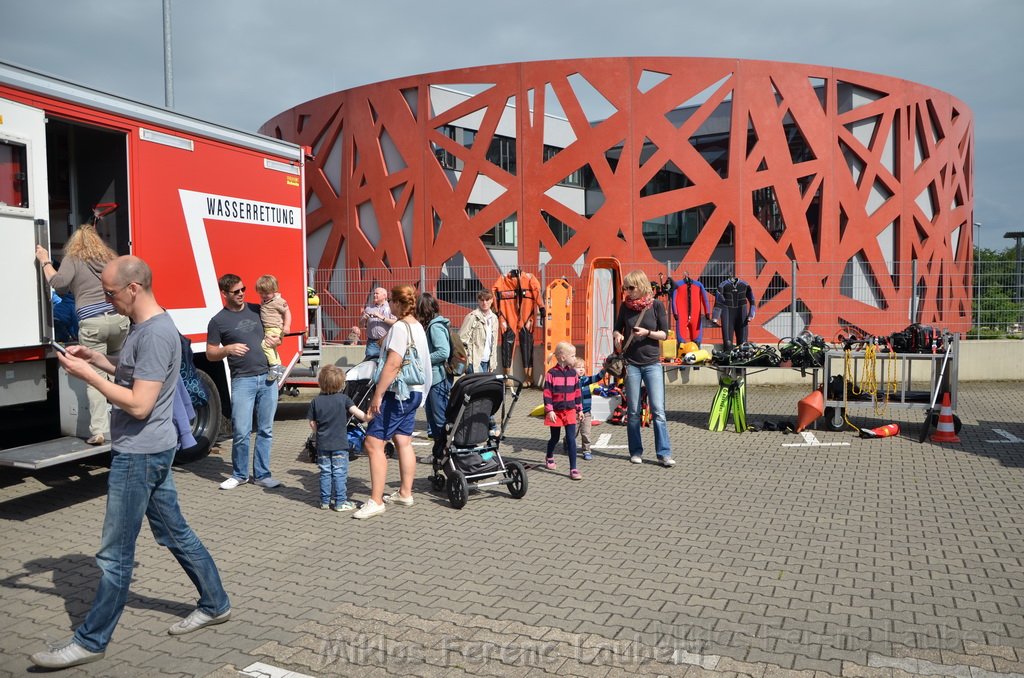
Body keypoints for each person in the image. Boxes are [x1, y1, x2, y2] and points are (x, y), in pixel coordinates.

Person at [30, 256, 230, 670]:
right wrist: (100, 361)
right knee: (175, 533)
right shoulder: (150, 327)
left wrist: (88, 376)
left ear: (134, 288)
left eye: (110, 294)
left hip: (139, 454)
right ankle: (216, 603)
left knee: (114, 554)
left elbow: (139, 404)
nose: (106, 302)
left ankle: (90, 640)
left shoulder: (155, 333)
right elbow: (137, 375)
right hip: (149, 450)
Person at [36, 225, 129, 445]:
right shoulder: (109, 258)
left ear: (75, 243)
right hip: (119, 320)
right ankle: (126, 422)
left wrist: (45, 261)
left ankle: (98, 431)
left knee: (95, 375)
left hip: (93, 323)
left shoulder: (73, 258)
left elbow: (59, 285)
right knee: (119, 371)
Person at [352, 284, 431, 519]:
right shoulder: (417, 326)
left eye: (392, 303)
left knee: (373, 443)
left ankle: (376, 501)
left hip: (398, 392)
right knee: (403, 440)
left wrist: (377, 395)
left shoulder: (398, 327)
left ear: (396, 303)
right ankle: (405, 492)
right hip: (414, 392)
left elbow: (393, 363)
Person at [207, 274, 282, 490]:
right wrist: (227, 349)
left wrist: (279, 337)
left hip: (267, 377)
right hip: (242, 381)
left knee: (266, 429)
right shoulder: (218, 321)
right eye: (236, 291)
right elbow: (211, 353)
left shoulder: (257, 310)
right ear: (224, 294)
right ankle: (239, 474)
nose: (241, 294)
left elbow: (276, 329)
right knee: (241, 431)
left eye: (243, 289)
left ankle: (263, 475)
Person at [613, 270, 675, 468]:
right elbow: (617, 327)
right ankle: (636, 451)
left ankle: (664, 454)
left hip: (652, 364)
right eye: (626, 288)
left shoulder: (656, 306)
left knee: (658, 410)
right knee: (633, 411)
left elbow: (664, 335)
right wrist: (617, 336)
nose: (628, 292)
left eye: (631, 288)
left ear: (641, 286)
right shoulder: (625, 307)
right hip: (632, 363)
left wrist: (648, 332)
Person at [308, 365, 368, 512]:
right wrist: (369, 417)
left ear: (321, 383)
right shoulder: (344, 399)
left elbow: (312, 423)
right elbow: (357, 413)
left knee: (325, 472)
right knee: (340, 473)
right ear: (341, 384)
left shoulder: (316, 401)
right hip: (340, 444)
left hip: (322, 444)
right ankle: (340, 502)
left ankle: (324, 501)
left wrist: (319, 432)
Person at [542, 341, 583, 480]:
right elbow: (547, 393)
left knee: (571, 439)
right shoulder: (551, 374)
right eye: (573, 355)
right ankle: (549, 456)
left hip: (570, 411)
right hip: (556, 412)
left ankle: (573, 468)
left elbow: (577, 393)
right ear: (563, 357)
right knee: (555, 438)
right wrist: (550, 410)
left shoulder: (573, 373)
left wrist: (579, 410)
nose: (575, 358)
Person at [417, 293, 453, 440]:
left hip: (438, 378)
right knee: (433, 419)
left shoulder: (435, 327)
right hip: (434, 378)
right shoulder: (434, 325)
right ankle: (439, 453)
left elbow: (443, 352)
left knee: (439, 420)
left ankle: (445, 453)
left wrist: (423, 359)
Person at [255, 274, 291, 381]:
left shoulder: (279, 301)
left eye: (267, 293)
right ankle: (279, 367)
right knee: (272, 347)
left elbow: (287, 313)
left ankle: (274, 366)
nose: (264, 296)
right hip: (268, 328)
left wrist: (287, 326)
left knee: (265, 345)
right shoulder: (265, 301)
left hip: (275, 327)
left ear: (274, 290)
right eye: (261, 293)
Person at [571, 357, 605, 461]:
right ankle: (567, 442)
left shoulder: (585, 380)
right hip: (574, 413)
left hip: (586, 412)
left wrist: (604, 370)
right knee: (573, 433)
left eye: (583, 367)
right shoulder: (571, 382)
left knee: (586, 432)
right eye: (578, 367)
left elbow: (596, 378)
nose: (581, 369)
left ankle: (586, 450)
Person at [459, 290, 499, 374]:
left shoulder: (494, 318)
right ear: (478, 301)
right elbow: (461, 339)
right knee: (478, 385)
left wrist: (493, 361)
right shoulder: (472, 317)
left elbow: (494, 342)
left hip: (488, 361)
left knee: (483, 386)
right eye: (482, 300)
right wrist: (468, 358)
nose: (484, 303)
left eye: (487, 300)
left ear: (492, 300)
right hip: (473, 361)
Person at [360, 286, 396, 361]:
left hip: (386, 341)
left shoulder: (390, 307)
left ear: (384, 296)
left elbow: (395, 323)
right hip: (372, 343)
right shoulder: (369, 308)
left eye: (377, 293)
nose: (374, 295)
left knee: (385, 364)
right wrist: (364, 319)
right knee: (370, 364)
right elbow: (360, 325)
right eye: (374, 293)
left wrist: (382, 317)